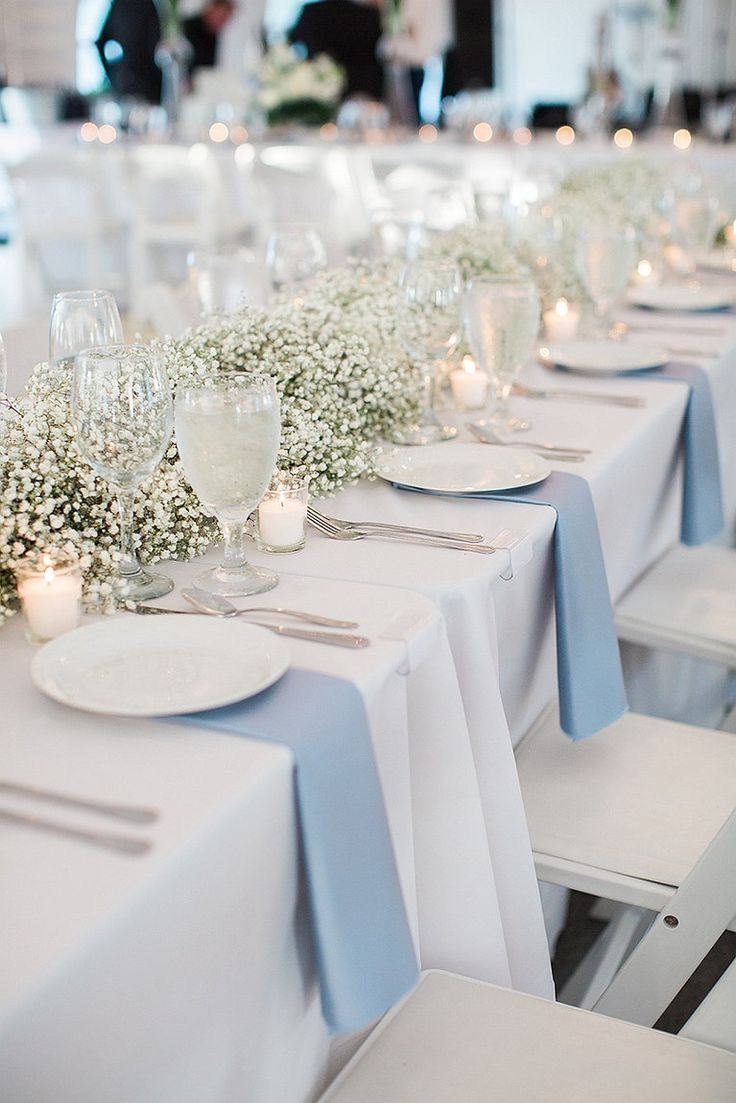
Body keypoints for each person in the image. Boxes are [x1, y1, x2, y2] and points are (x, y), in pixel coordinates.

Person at [288, 0, 385, 102]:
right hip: (371, 86)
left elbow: (293, 41)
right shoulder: (366, 14)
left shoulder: (310, 13)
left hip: (337, 93)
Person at [96, 0, 163, 104]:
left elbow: (100, 42)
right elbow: (155, 45)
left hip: (125, 82)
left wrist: (112, 74)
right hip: (147, 84)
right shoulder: (147, 4)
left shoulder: (118, 5)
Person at [182, 0, 236, 73]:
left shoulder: (213, 35)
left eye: (226, 19)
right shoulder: (185, 27)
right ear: (211, 9)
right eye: (221, 16)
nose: (222, 22)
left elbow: (208, 69)